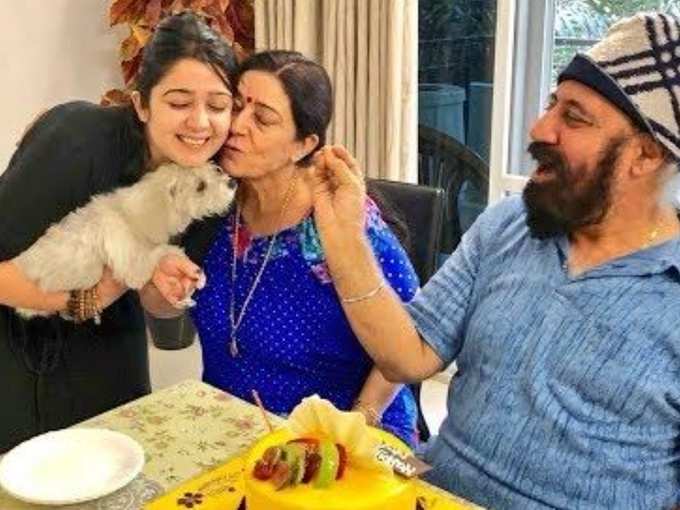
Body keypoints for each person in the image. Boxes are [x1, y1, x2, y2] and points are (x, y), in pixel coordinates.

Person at [309, 12, 680, 509]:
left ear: (647, 155)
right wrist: (345, 237)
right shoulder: (508, 224)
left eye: (574, 117)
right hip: (436, 492)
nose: (540, 127)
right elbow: (407, 355)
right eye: (553, 104)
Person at [147, 50, 420, 446]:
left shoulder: (339, 217)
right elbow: (160, 306)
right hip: (234, 426)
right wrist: (162, 292)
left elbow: (413, 336)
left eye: (262, 119)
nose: (237, 126)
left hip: (339, 437)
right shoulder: (210, 202)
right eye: (236, 107)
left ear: (303, 144)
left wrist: (360, 420)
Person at [0, 12, 236, 452]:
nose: (200, 123)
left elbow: (157, 302)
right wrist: (83, 299)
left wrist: (167, 293)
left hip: (109, 342)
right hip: (15, 334)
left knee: (121, 464)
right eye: (179, 103)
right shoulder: (76, 139)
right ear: (142, 104)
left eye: (218, 106)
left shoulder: (212, 187)